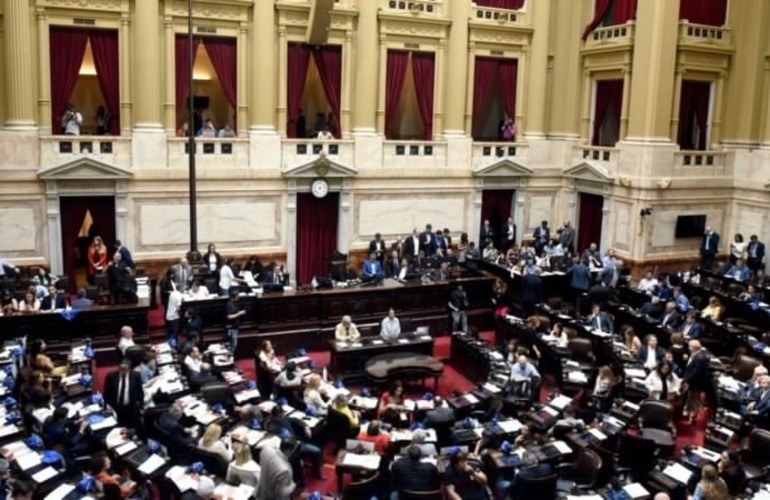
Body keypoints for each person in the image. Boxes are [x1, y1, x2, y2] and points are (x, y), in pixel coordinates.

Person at [104, 360, 143, 428]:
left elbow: (140, 391)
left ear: (129, 369)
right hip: (116, 406)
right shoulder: (111, 376)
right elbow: (106, 392)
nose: (122, 371)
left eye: (125, 369)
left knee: (132, 426)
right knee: (117, 427)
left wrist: (141, 407)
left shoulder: (136, 375)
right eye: (121, 369)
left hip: (131, 407)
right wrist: (106, 406)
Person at [225, 290, 246, 354]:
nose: (239, 297)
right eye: (237, 296)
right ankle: (229, 358)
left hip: (235, 326)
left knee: (234, 344)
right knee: (233, 345)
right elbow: (229, 317)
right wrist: (239, 313)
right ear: (233, 297)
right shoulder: (229, 305)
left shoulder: (236, 303)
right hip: (231, 327)